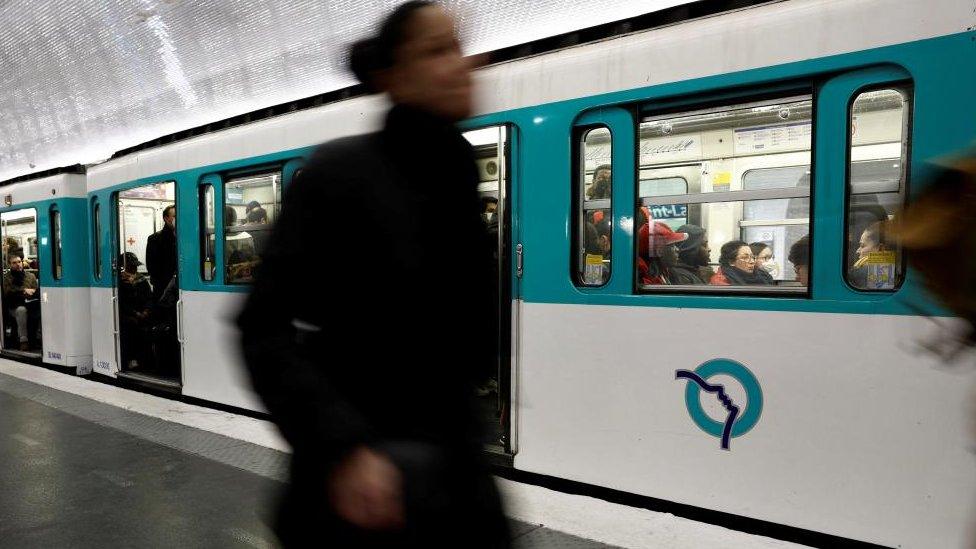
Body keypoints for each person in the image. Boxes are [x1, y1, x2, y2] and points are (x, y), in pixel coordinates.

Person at [236, 3, 508, 547]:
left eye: (459, 46)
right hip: (361, 491)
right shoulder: (338, 174)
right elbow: (263, 328)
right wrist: (342, 449)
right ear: (393, 76)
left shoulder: (456, 182)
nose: (463, 63)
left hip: (454, 480)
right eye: (437, 51)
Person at [117, 252, 153, 370]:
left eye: (135, 266)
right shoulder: (120, 282)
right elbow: (122, 303)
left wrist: (147, 311)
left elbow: (149, 297)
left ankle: (146, 359)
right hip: (128, 315)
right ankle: (131, 359)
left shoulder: (141, 280)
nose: (134, 268)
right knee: (130, 326)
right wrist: (135, 313)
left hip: (143, 313)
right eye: (131, 266)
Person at [3, 255, 38, 351]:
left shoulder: (31, 276)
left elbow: (36, 291)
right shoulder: (6, 278)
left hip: (30, 304)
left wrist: (31, 292)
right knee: (21, 310)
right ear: (9, 265)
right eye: (14, 263)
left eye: (19, 262)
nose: (17, 264)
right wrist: (24, 292)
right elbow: (8, 294)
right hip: (14, 307)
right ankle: (23, 340)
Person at [145, 205, 177, 302]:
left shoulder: (185, 238)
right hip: (162, 287)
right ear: (166, 218)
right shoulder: (155, 239)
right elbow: (151, 267)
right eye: (174, 216)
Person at [710, 240, 774, 286]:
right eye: (745, 258)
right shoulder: (721, 281)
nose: (752, 261)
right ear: (731, 262)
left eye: (752, 257)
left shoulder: (763, 275)